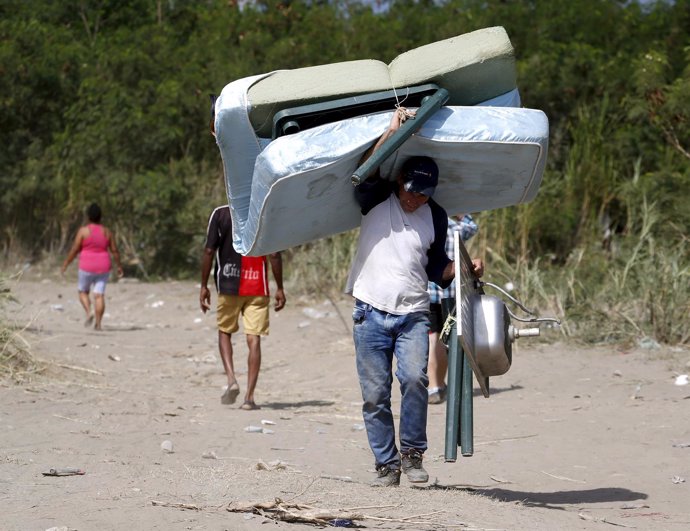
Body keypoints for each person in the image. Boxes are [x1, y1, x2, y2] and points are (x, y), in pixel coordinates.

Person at [346, 108, 484, 487]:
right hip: (370, 312)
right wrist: (392, 130)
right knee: (375, 395)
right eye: (413, 192)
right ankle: (386, 466)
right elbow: (366, 168)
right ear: (401, 181)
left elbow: (435, 267)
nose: (417, 200)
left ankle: (412, 455)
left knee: (414, 381)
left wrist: (464, 269)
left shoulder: (435, 215)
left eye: (425, 195)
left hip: (413, 314)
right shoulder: (375, 197)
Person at [199, 205, 286, 411]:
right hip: (257, 286)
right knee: (253, 338)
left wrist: (203, 286)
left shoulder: (220, 214)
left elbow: (210, 250)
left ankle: (231, 379)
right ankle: (249, 398)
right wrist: (280, 287)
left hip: (228, 284)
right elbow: (274, 254)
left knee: (224, 332)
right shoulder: (265, 211)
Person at [427, 214, 478, 405]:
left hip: (429, 292)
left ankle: (434, 387)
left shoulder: (428, 224)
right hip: (451, 293)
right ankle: (441, 384)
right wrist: (462, 212)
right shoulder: (457, 228)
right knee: (445, 340)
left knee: (432, 339)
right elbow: (472, 226)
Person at [61, 203, 124, 331]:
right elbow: (115, 250)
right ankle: (99, 324)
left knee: (83, 292)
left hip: (86, 266)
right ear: (101, 216)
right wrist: (119, 266)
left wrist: (66, 263)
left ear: (88, 216)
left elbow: (75, 249)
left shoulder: (84, 231)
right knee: (99, 295)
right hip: (103, 266)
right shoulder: (107, 232)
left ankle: (89, 311)